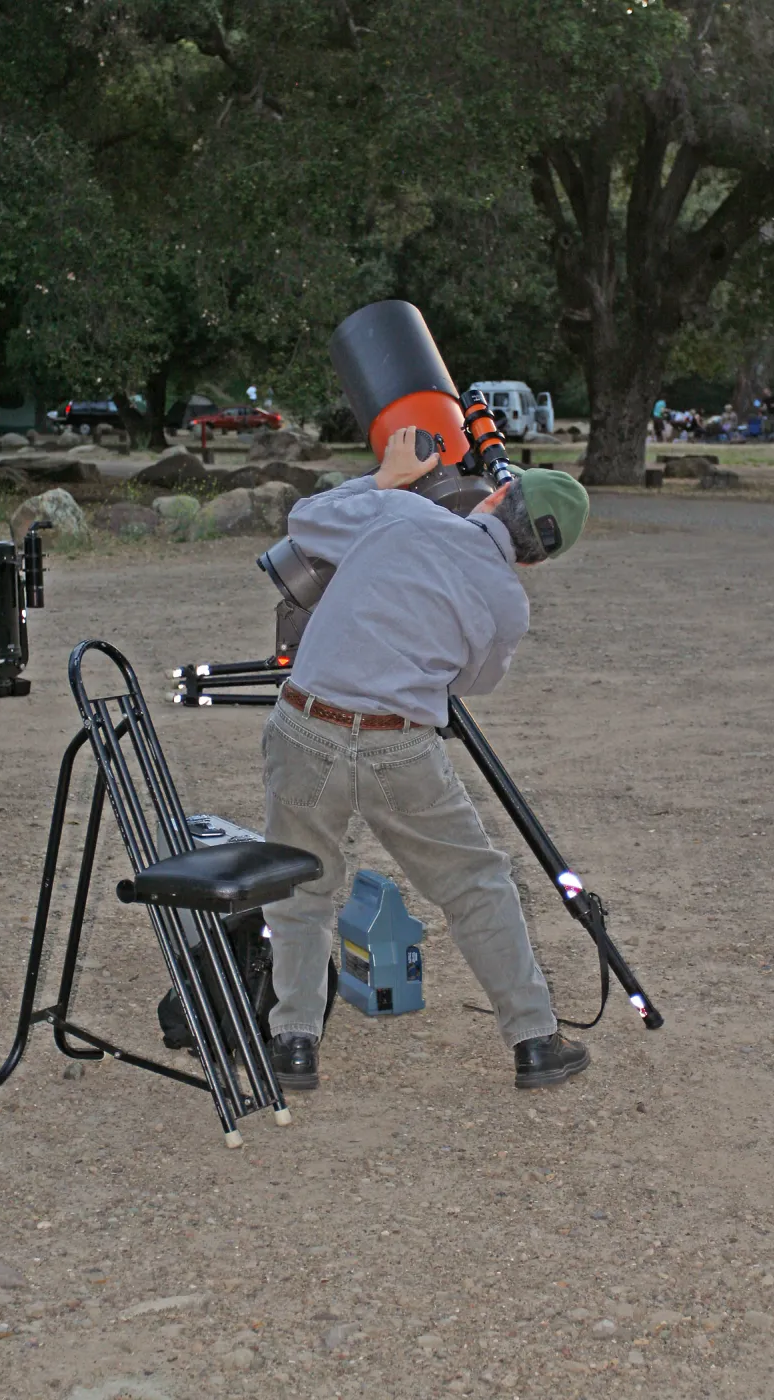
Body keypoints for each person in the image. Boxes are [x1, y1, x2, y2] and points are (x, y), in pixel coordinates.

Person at [261, 426, 592, 1093]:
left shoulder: (402, 511)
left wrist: (386, 478)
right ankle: (532, 1040)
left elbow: (307, 520)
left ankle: (293, 1041)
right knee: (474, 887)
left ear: (494, 497)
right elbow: (472, 683)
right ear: (534, 558)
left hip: (305, 723)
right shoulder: (508, 603)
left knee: (300, 888)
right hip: (398, 742)